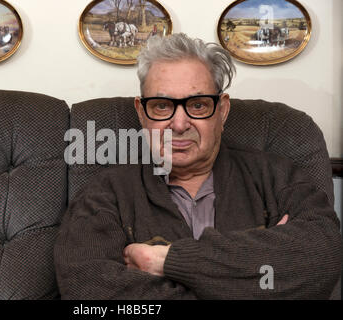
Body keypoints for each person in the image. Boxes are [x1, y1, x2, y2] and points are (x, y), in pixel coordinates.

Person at [54, 33, 342, 299]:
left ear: (223, 110)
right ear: (142, 113)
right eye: (162, 106)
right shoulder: (106, 193)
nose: (179, 124)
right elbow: (87, 293)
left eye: (199, 105)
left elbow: (322, 261)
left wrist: (168, 261)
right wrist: (250, 271)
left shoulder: (278, 177)